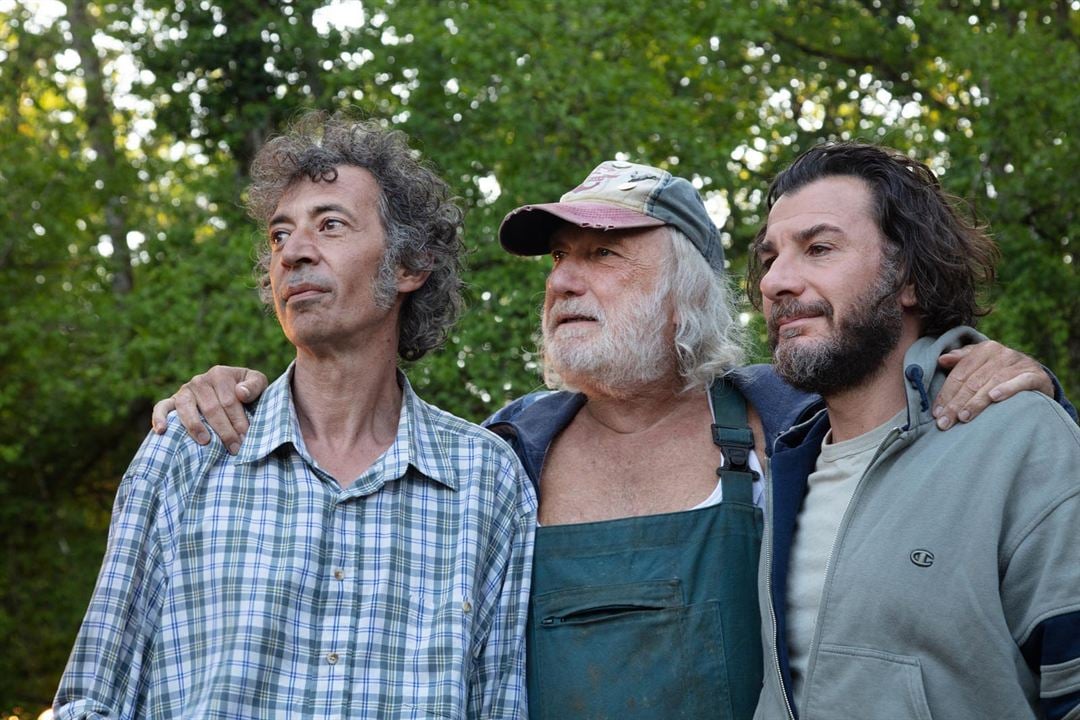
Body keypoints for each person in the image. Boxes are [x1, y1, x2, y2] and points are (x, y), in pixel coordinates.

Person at [154, 160, 1072, 719]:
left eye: (602, 255)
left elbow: (900, 422)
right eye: (557, 260)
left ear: (689, 293)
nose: (563, 282)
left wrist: (976, 363)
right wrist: (230, 391)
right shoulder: (498, 462)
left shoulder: (786, 434)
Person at [54, 112, 537, 719]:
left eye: (330, 225)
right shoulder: (190, 448)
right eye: (280, 236)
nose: (294, 254)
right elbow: (90, 701)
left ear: (411, 265)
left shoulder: (485, 480)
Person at [748, 142, 1080, 720]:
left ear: (909, 278)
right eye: (770, 257)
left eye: (818, 248)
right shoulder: (784, 460)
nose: (776, 280)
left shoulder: (1022, 440)